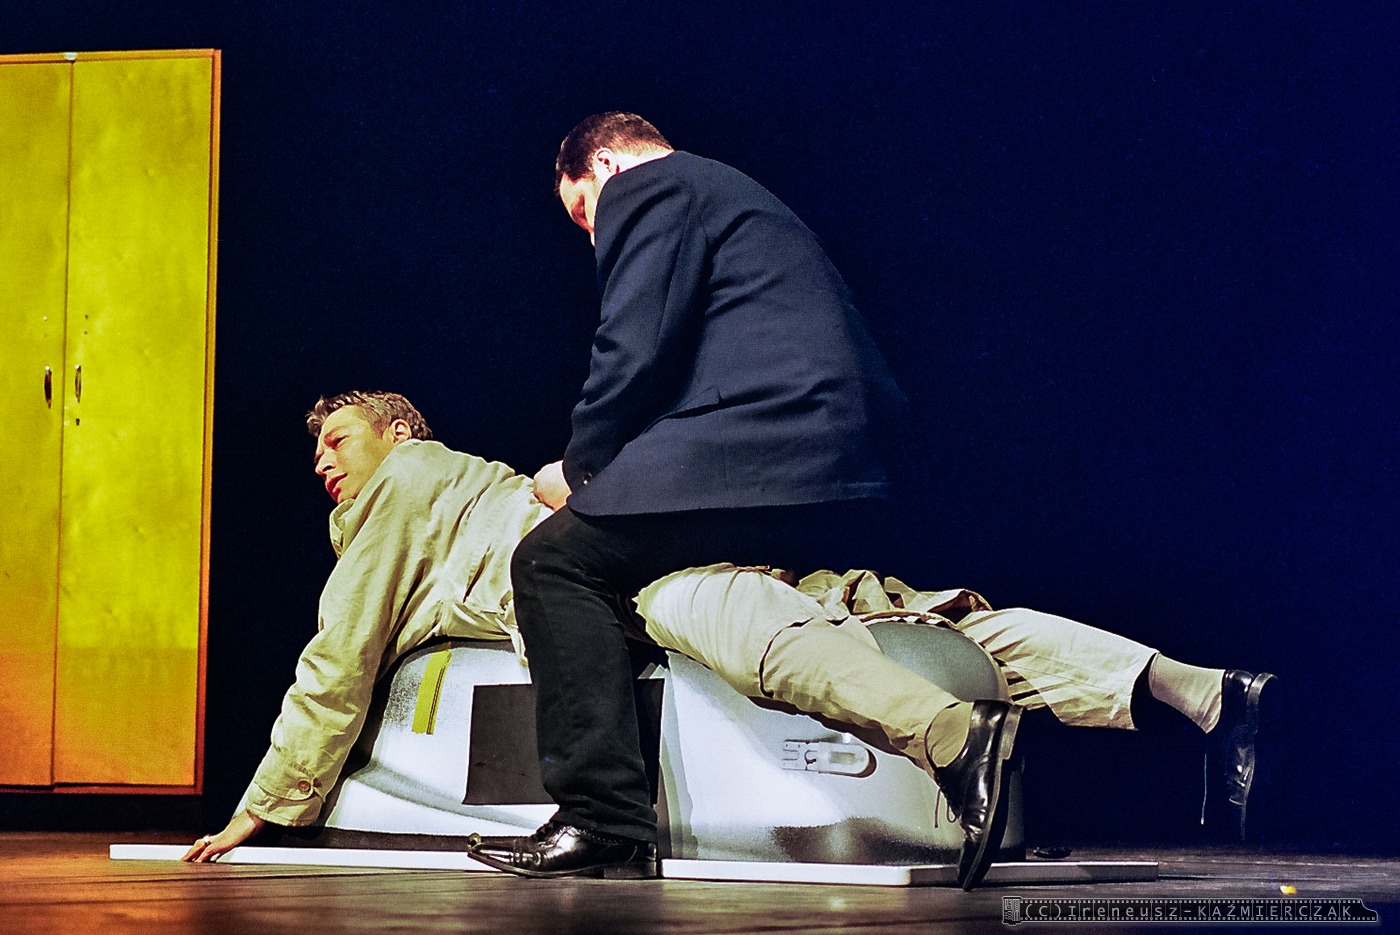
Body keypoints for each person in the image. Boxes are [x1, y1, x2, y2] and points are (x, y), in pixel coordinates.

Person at [183, 392, 1272, 891]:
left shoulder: (408, 487)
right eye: (317, 453)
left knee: (736, 620)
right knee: (903, 612)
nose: (324, 462)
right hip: (648, 547)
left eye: (338, 439)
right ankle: (1203, 689)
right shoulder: (452, 493)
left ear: (399, 431)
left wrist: (265, 803)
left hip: (616, 581)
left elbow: (338, 656)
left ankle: (950, 734)